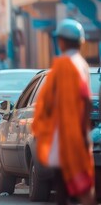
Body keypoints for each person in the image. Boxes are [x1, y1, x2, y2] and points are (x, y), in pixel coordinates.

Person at [32, 18, 96, 205]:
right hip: (77, 132)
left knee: (62, 183)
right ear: (81, 42)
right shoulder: (81, 63)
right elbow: (87, 100)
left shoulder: (63, 65)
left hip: (63, 135)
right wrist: (85, 132)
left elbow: (47, 100)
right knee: (75, 182)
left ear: (61, 41)